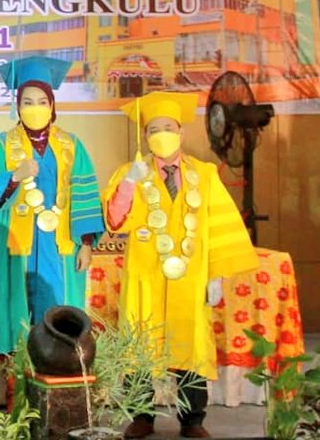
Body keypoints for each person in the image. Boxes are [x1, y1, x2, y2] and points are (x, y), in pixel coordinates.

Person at [102, 91, 258, 439]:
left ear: (182, 132)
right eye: (153, 129)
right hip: (145, 275)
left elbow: (219, 227)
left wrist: (215, 275)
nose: (161, 135)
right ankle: (142, 416)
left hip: (190, 274)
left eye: (168, 128)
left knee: (191, 345)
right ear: (145, 136)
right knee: (140, 346)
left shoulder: (204, 174)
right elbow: (114, 221)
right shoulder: (130, 173)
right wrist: (129, 184)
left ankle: (193, 419)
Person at [0, 55, 106, 355]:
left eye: (42, 101)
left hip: (60, 247)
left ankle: (61, 372)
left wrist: (86, 243)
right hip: (16, 248)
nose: (35, 108)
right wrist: (13, 177)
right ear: (17, 106)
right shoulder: (0, 145)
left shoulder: (71, 145)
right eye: (27, 102)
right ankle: (19, 377)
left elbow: (85, 193)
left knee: (60, 312)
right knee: (18, 315)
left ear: (52, 104)